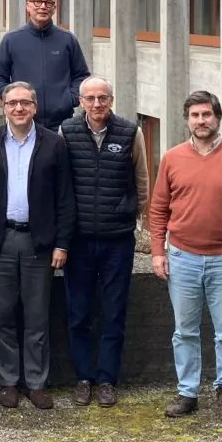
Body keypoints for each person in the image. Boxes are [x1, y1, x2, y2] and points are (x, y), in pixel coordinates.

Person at [149, 90, 222, 421]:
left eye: (207, 114)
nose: (201, 121)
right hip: (181, 258)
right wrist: (157, 251)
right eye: (195, 115)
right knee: (184, 330)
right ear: (187, 120)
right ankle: (187, 392)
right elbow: (158, 209)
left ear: (218, 118)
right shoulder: (171, 158)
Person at [0, 82, 75, 410]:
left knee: (36, 315)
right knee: (1, 313)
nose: (18, 108)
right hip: (0, 241)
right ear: (3, 107)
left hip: (39, 242)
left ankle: (35, 382)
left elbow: (65, 197)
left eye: (25, 103)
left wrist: (62, 244)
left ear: (35, 107)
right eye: (12, 103)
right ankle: (8, 381)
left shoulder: (53, 144)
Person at [59, 77, 149, 408]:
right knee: (78, 313)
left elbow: (142, 179)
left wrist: (133, 213)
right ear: (81, 101)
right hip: (79, 239)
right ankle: (84, 378)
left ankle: (108, 379)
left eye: (103, 98)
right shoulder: (66, 131)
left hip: (117, 240)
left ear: (111, 99)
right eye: (91, 98)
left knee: (114, 312)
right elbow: (61, 181)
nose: (97, 104)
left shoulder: (130, 132)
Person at [0, 0, 90, 131]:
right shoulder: (11, 40)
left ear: (54, 8)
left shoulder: (67, 39)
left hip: (61, 123)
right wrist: (14, 101)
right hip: (23, 122)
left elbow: (81, 76)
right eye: (37, 1)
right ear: (28, 6)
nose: (43, 6)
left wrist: (69, 100)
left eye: (48, 3)